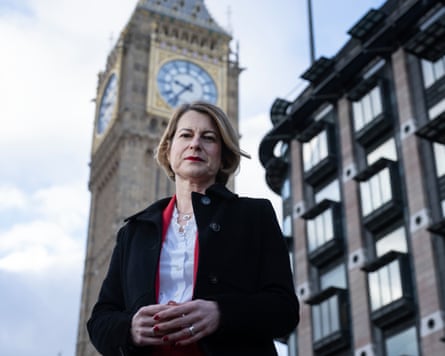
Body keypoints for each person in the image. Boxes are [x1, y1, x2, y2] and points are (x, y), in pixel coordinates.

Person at [87, 101, 299, 356]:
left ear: (223, 156)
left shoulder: (254, 215)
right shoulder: (135, 231)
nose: (195, 144)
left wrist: (220, 312)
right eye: (185, 135)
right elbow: (100, 320)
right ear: (168, 149)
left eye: (208, 138)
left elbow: (284, 310)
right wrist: (130, 328)